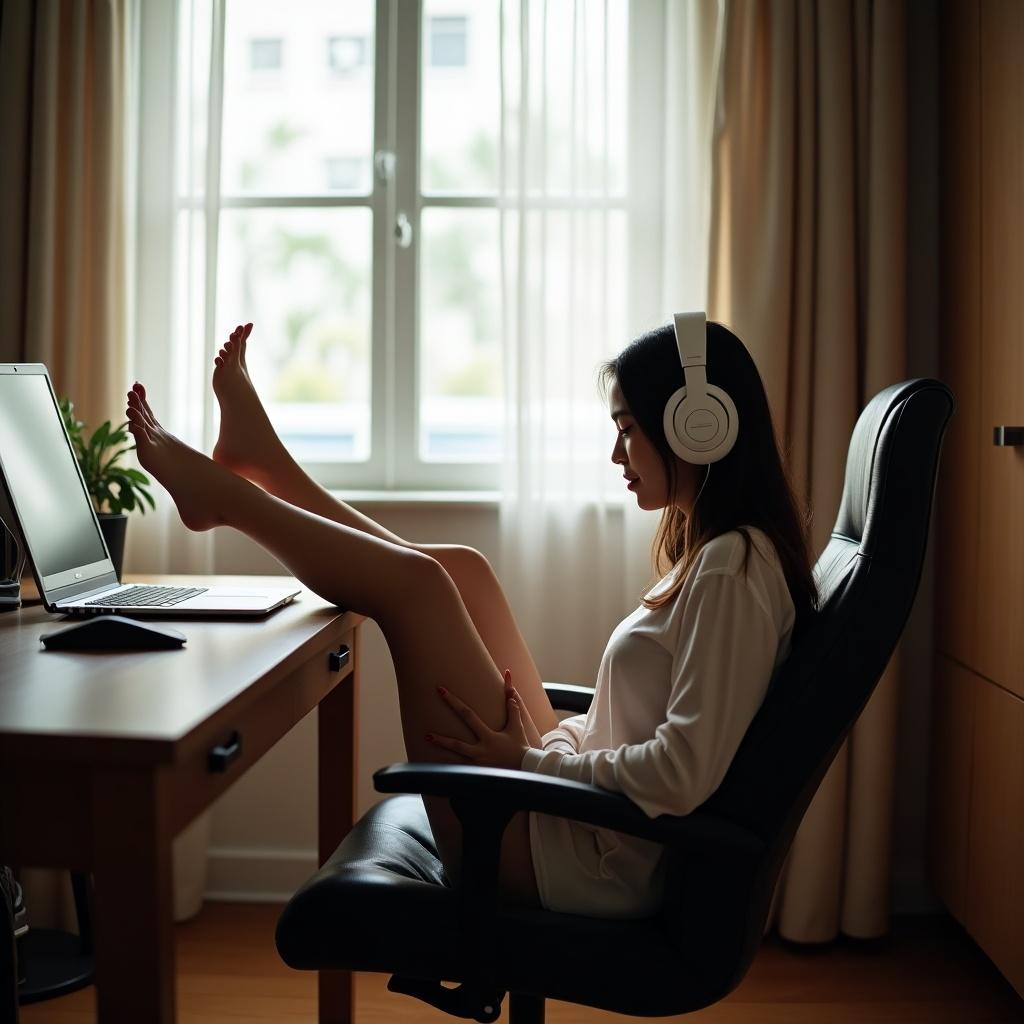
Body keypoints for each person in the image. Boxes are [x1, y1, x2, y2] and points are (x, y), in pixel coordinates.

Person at [124, 315, 817, 919]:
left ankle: (226, 498)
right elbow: (641, 729)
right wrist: (555, 748)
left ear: (697, 428)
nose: (617, 456)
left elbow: (679, 775)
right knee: (462, 571)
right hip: (581, 821)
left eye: (628, 432)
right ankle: (266, 465)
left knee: (420, 587)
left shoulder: (733, 568)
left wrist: (528, 762)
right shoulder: (728, 557)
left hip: (588, 864)